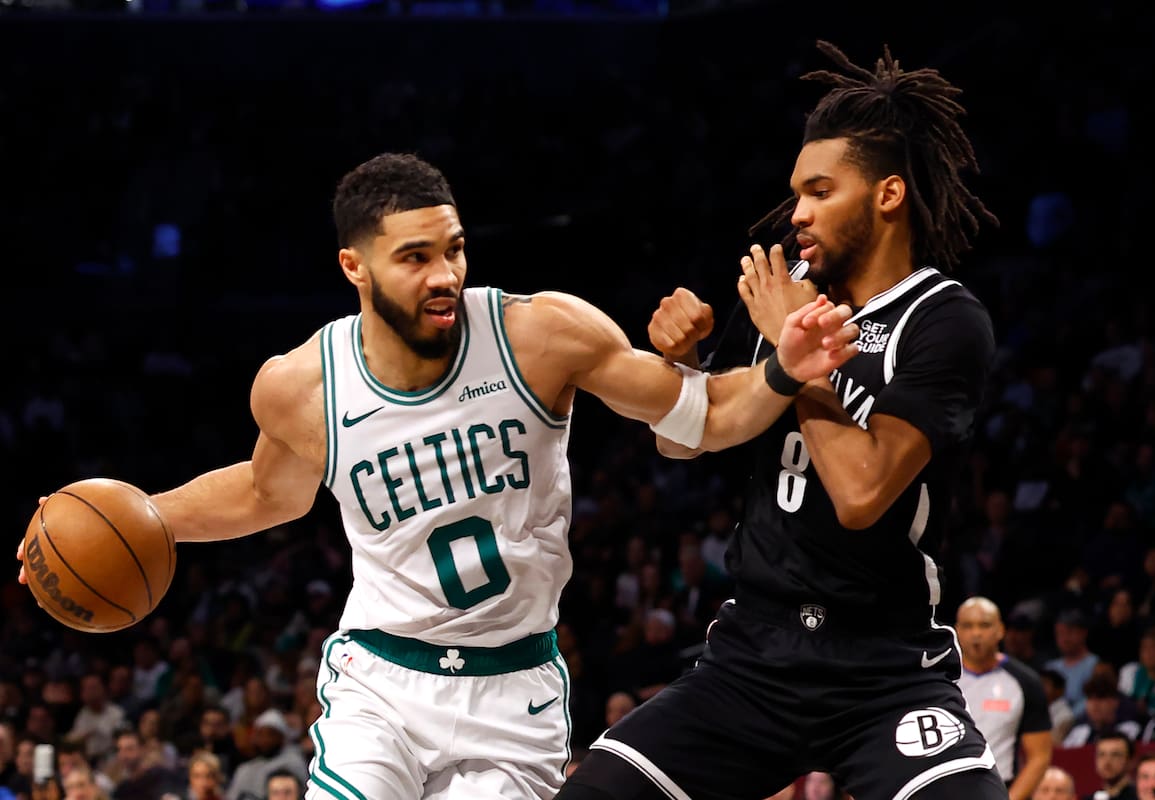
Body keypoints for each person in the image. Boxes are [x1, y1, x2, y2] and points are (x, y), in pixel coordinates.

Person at [18, 152, 857, 800]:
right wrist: (122, 518)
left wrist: (781, 371)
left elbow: (703, 418)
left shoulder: (542, 334)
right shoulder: (303, 384)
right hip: (382, 681)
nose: (445, 273)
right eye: (415, 257)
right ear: (355, 268)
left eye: (453, 249)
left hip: (513, 689)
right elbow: (263, 492)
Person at [558, 39, 1007, 800]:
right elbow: (680, 442)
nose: (796, 213)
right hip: (753, 657)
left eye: (821, 191)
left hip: (884, 666)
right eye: (797, 192)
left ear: (887, 195)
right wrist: (689, 369)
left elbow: (863, 496)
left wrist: (806, 364)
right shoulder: (784, 293)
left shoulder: (944, 319)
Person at [956, 597, 1053, 799]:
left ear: (1000, 630)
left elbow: (1040, 756)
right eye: (968, 626)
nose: (976, 633)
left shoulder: (1026, 682)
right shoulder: (941, 680)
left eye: (984, 625)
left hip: (999, 787)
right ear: (956, 631)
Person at [1062, 673, 1142, 747]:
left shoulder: (1130, 728)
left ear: (1115, 702)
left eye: (1100, 698)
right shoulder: (1079, 731)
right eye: (1090, 698)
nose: (1094, 704)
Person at [1085, 731, 1135, 800]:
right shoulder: (1090, 798)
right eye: (1101, 754)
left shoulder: (1141, 796)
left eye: (1115, 755)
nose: (1107, 761)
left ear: (1130, 761)